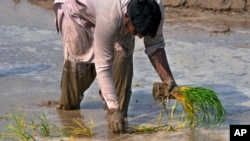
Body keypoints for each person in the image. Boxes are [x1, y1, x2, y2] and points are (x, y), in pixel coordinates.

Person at [53, 0, 177, 133]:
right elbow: (103, 65)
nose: (140, 37)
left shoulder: (154, 8)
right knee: (78, 71)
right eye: (137, 32)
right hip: (79, 12)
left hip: (114, 14)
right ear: (126, 17)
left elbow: (155, 44)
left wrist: (168, 79)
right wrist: (113, 108)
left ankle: (118, 123)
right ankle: (68, 113)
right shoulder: (110, 14)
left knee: (123, 57)